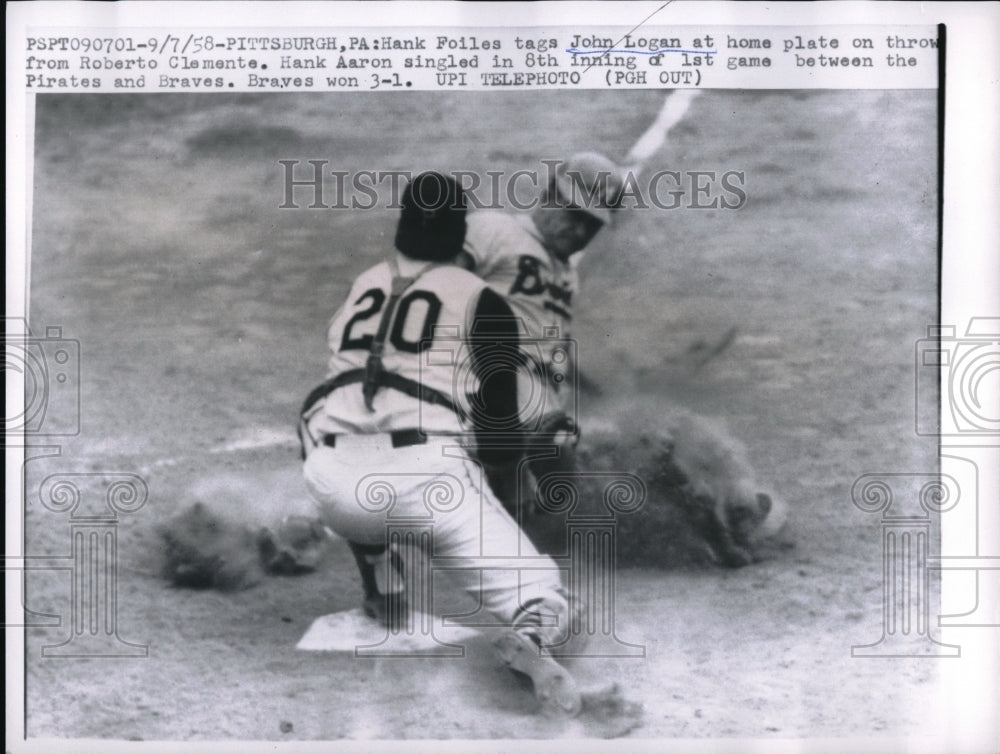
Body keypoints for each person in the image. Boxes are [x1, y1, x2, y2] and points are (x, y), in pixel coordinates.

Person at [298, 172, 585, 717]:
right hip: (427, 484)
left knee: (321, 411)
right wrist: (503, 499)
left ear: (401, 230)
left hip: (333, 483)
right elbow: (499, 430)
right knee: (546, 596)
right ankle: (537, 636)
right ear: (461, 238)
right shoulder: (482, 301)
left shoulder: (362, 284)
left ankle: (382, 579)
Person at [459, 153, 626, 533]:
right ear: (549, 194)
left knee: (580, 473)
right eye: (574, 215)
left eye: (592, 225)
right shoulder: (493, 230)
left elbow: (552, 347)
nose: (580, 232)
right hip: (488, 395)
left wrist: (597, 390)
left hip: (536, 406)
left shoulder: (567, 273)